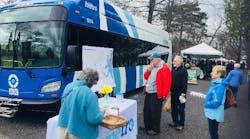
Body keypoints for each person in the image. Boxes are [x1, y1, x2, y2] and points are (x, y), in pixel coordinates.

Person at [58, 68, 108, 139]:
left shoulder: (68, 86)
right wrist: (102, 112)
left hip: (64, 127)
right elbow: (93, 118)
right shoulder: (90, 94)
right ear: (93, 82)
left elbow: (65, 105)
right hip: (79, 132)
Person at [142, 52, 171, 135]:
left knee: (155, 112)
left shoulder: (164, 68)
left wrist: (164, 95)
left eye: (152, 59)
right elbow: (145, 77)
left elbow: (167, 83)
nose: (151, 61)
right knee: (146, 111)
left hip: (156, 94)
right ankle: (148, 126)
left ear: (157, 59)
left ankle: (155, 129)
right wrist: (148, 70)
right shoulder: (153, 67)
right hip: (148, 92)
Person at [204, 65, 227, 139]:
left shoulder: (220, 86)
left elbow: (217, 102)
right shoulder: (216, 83)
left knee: (213, 133)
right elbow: (213, 95)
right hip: (213, 113)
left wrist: (206, 104)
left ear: (219, 74)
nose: (211, 73)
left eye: (213, 71)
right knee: (213, 131)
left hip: (214, 113)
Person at [169, 55, 188, 131]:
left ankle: (181, 124)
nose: (173, 62)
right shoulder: (173, 69)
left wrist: (183, 92)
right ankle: (175, 121)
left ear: (180, 62)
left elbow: (185, 83)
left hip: (181, 93)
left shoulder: (183, 70)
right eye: (173, 61)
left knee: (181, 109)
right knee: (173, 108)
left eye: (175, 61)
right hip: (173, 92)